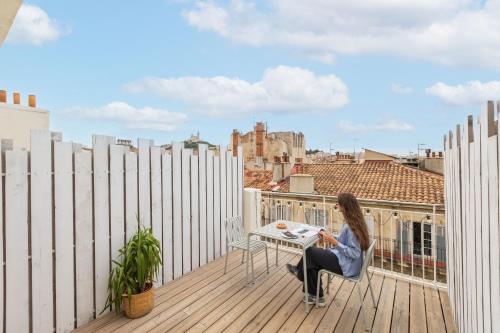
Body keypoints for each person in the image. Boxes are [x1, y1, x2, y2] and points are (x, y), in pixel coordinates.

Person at [286, 192, 370, 306]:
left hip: (347, 266)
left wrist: (333, 241)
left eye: (339, 204)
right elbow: (343, 242)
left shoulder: (351, 227)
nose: (337, 206)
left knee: (309, 252)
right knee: (312, 261)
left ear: (345, 207)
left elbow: (354, 253)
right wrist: (329, 237)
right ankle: (316, 297)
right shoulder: (355, 222)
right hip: (346, 261)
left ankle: (300, 274)